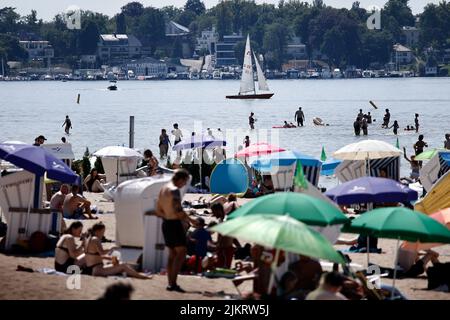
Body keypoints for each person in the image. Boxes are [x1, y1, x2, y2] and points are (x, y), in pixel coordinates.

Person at [156, 169, 198, 292]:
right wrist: (191, 220)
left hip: (166, 223)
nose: (184, 184)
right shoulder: (174, 190)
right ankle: (173, 283)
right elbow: (179, 210)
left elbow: (158, 209)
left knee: (172, 254)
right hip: (174, 224)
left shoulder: (163, 189)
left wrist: (167, 216)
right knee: (181, 252)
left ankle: (170, 283)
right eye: (184, 181)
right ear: (180, 179)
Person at [84, 222, 152, 279]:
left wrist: (110, 258)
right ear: (97, 231)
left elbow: (94, 255)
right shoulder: (95, 239)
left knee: (117, 264)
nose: (103, 234)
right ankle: (141, 276)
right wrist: (111, 248)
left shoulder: (88, 239)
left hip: (91, 268)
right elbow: (102, 253)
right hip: (98, 270)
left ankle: (138, 274)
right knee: (123, 266)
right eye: (102, 232)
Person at [211, 203, 236, 269]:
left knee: (224, 268)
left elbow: (223, 235)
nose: (213, 214)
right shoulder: (221, 220)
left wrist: (218, 246)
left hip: (226, 249)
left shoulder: (225, 220)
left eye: (214, 212)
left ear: (219, 210)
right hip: (224, 249)